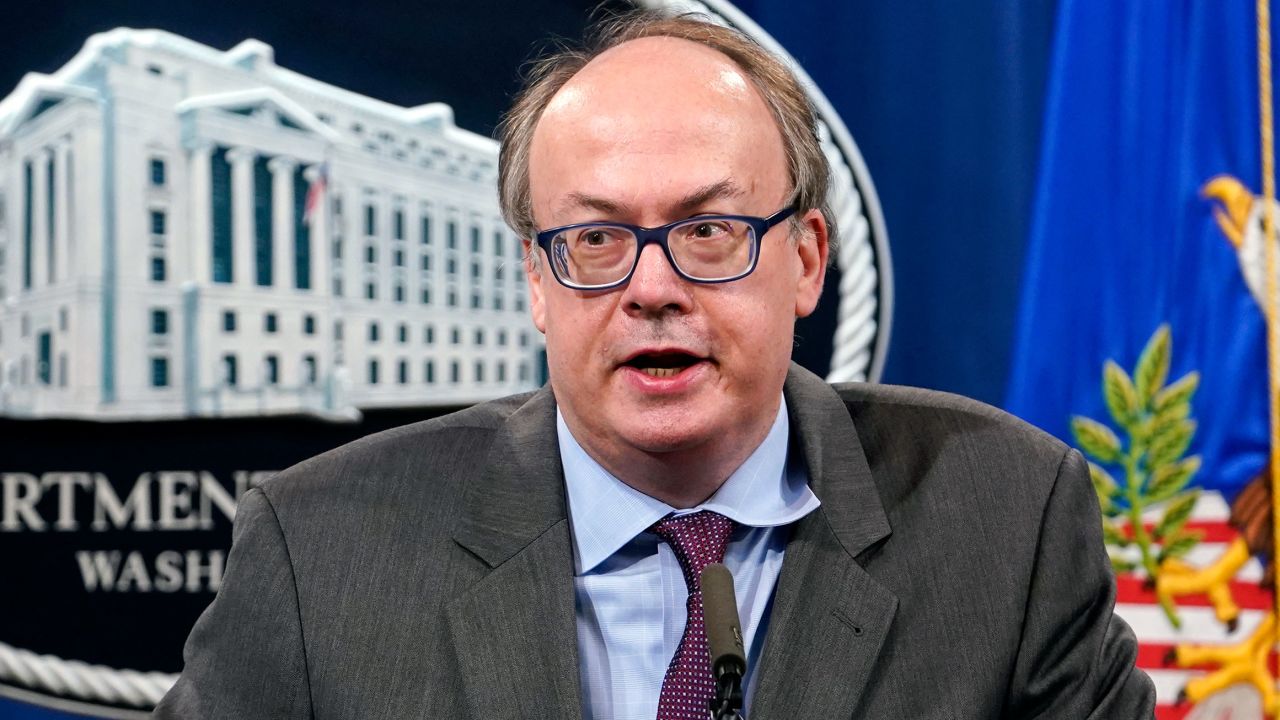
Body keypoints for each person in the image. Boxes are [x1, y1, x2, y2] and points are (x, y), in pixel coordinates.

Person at [154, 10, 1155, 719]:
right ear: (536, 285)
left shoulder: (1002, 519)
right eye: (593, 241)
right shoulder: (324, 551)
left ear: (804, 259)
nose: (649, 288)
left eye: (708, 230)